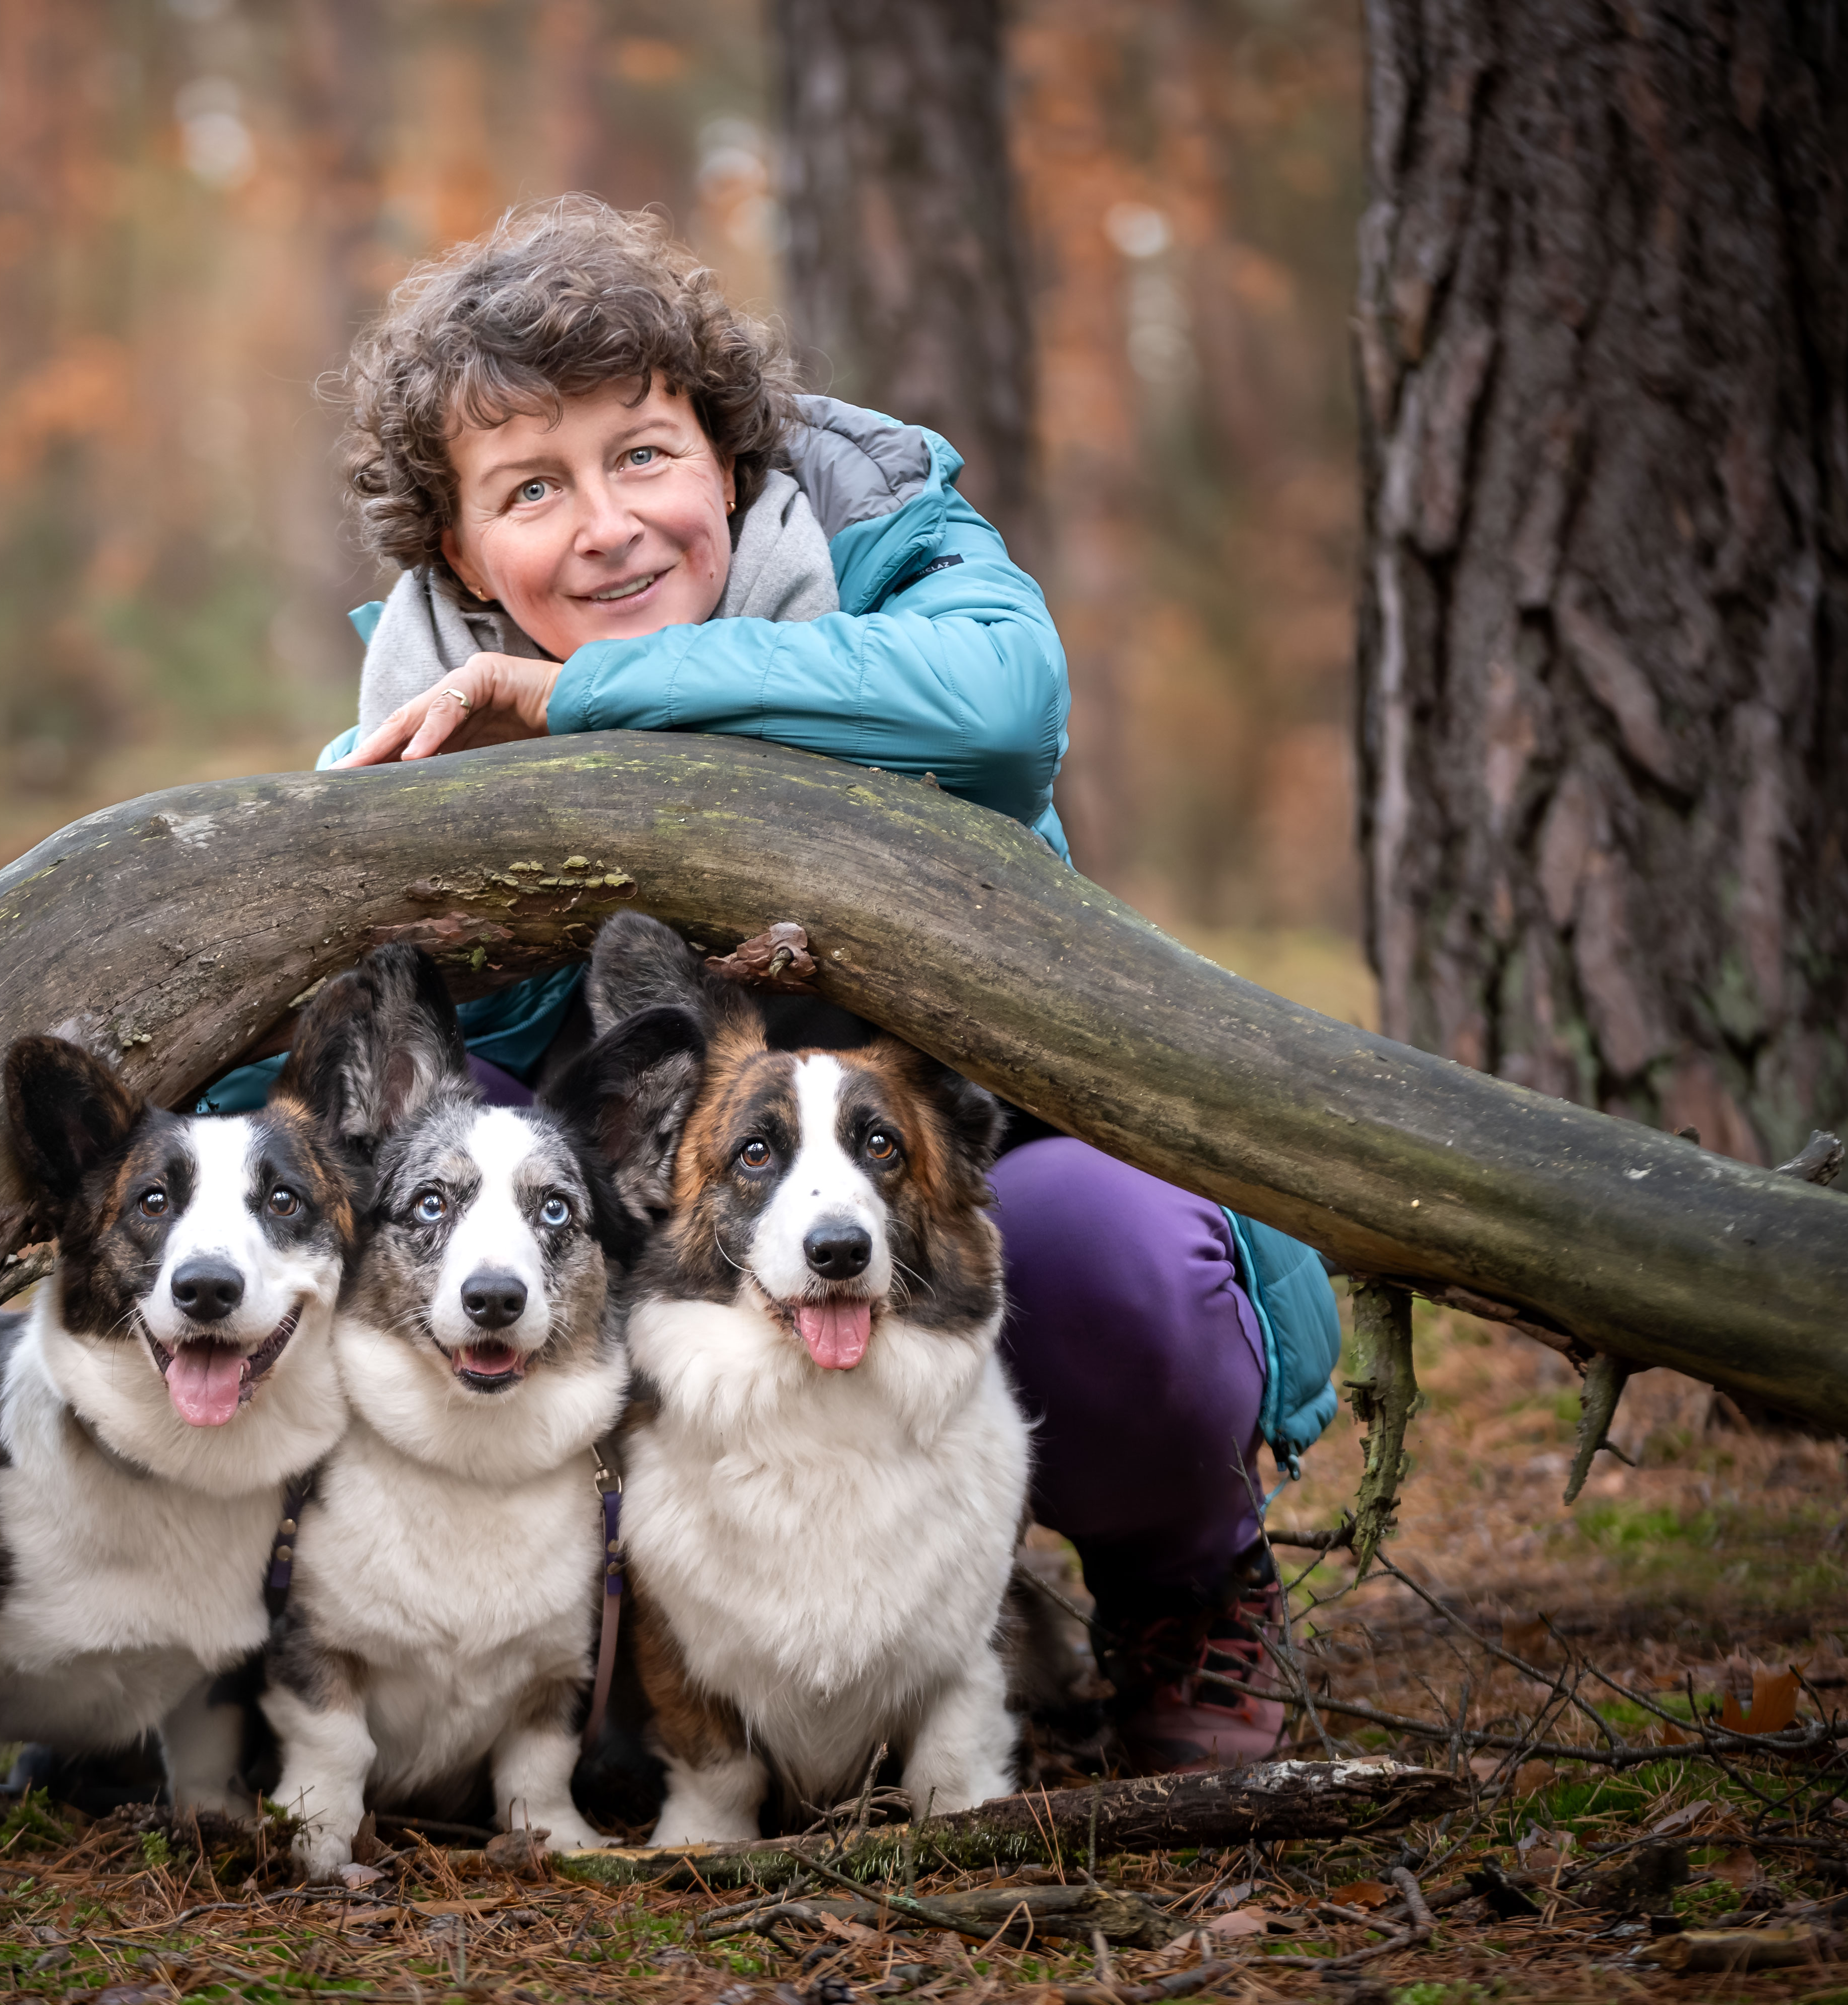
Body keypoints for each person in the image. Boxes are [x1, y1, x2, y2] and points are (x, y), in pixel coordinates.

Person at [210, 196, 1337, 1772]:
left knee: (1124, 1271)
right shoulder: (405, 734)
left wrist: (588, 698)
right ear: (459, 549)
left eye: (645, 455)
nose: (607, 524)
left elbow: (1006, 708)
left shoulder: (882, 537)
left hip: (964, 1166)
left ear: (729, 461)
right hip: (658, 1253)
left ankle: (1184, 1583)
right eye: (533, 488)